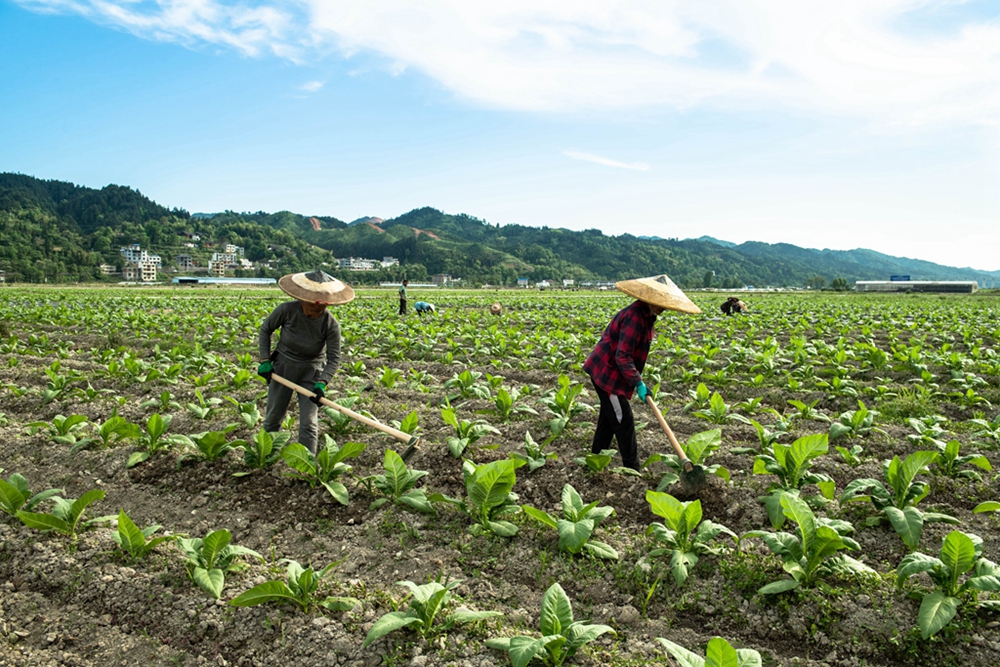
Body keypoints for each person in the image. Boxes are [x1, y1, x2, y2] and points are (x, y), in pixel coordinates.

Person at [583, 275, 701, 471]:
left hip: (613, 373)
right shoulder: (636, 317)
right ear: (650, 299)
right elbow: (622, 356)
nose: (664, 307)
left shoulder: (647, 316)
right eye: (661, 302)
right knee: (624, 420)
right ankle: (633, 470)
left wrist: (637, 381)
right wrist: (638, 383)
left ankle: (594, 461)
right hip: (607, 374)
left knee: (610, 417)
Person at [257, 270, 354, 454]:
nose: (316, 312)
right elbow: (265, 329)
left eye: (322, 308)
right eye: (313, 306)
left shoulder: (330, 324)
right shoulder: (286, 310)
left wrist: (322, 382)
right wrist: (265, 359)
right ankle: (263, 458)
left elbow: (334, 358)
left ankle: (306, 466)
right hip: (283, 368)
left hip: (311, 373)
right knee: (273, 418)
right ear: (304, 299)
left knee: (309, 424)